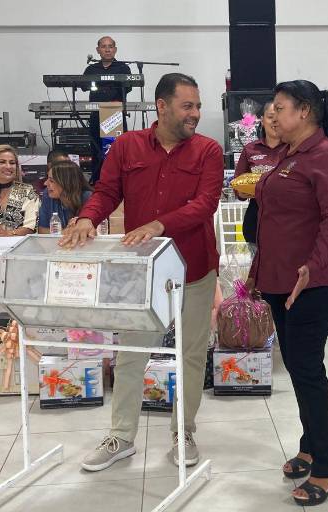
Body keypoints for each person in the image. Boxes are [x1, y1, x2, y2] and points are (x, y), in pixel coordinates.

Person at [59, 73, 223, 471]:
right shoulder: (128, 146)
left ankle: (183, 431)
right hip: (144, 273)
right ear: (161, 106)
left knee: (191, 354)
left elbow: (206, 204)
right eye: (188, 105)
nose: (196, 114)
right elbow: (105, 191)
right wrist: (87, 218)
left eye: (198, 106)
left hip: (195, 269)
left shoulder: (208, 151)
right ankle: (121, 436)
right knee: (132, 354)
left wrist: (157, 225)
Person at [247, 80, 328, 507]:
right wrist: (259, 271)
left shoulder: (327, 156)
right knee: (296, 366)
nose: (273, 115)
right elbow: (272, 221)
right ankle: (310, 445)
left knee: (307, 370)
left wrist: (313, 267)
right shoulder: (288, 156)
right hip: (279, 280)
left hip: (315, 282)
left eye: (280, 107)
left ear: (305, 111)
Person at [233, 101, 284, 256]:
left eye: (279, 117)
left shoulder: (293, 148)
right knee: (258, 272)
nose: (275, 121)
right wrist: (244, 191)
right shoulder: (250, 149)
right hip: (256, 220)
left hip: (287, 222)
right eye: (270, 117)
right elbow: (237, 187)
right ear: (262, 120)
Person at [82, 36, 132, 183]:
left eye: (110, 46)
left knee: (114, 150)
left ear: (115, 49)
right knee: (96, 148)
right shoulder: (91, 69)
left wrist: (102, 86)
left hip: (113, 113)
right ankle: (97, 179)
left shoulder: (123, 68)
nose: (107, 49)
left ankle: (114, 180)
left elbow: (127, 87)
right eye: (104, 46)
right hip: (96, 113)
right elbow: (84, 86)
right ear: (98, 50)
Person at [37, 160, 93, 233]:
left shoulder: (89, 198)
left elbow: (96, 230)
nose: (45, 183)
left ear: (66, 183)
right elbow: (42, 230)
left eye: (51, 181)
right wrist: (66, 231)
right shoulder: (47, 195)